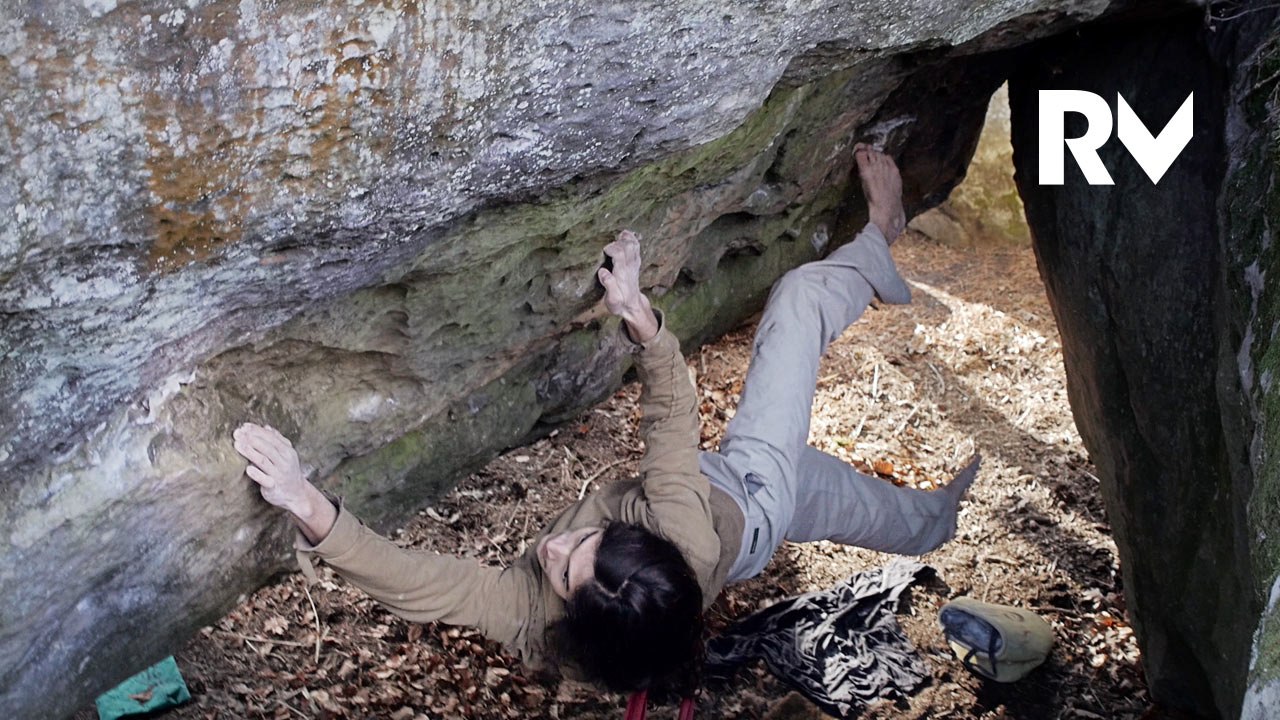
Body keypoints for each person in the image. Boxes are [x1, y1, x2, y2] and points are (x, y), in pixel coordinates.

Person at [232, 144, 980, 698]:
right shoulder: (632, 572)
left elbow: (425, 584)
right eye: (567, 561)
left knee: (818, 433)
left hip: (726, 510)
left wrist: (309, 506)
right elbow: (671, 425)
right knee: (797, 319)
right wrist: (642, 323)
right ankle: (939, 509)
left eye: (575, 553)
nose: (554, 546)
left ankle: (883, 245)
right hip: (753, 491)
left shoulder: (566, 604)